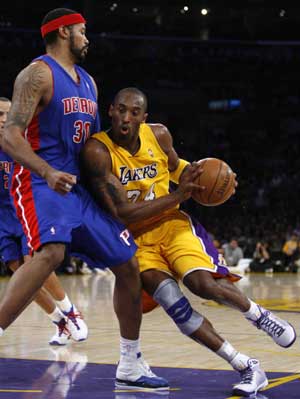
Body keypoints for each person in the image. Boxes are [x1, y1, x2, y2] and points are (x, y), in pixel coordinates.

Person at [80, 87, 297, 397]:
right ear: (110, 111)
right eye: (121, 110)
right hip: (136, 239)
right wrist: (177, 195)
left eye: (134, 112)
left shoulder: (159, 135)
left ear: (144, 117)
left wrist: (212, 178)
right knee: (176, 307)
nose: (126, 118)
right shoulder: (97, 152)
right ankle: (247, 366)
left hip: (172, 225)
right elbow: (122, 213)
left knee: (202, 284)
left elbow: (177, 168)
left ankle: (260, 317)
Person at [0, 9, 168, 390]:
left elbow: (94, 148)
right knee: (51, 253)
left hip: (77, 188)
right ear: (64, 32)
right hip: (41, 181)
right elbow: (10, 136)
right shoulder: (37, 73)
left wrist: (111, 191)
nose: (86, 37)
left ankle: (129, 363)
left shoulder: (89, 83)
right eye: (81, 31)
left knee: (128, 264)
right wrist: (45, 171)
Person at [0, 96, 88, 345]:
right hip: (3, 216)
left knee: (36, 262)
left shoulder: (21, 142)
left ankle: (71, 311)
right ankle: (59, 321)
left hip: (26, 206)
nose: (4, 118)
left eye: (8, 113)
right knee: (19, 272)